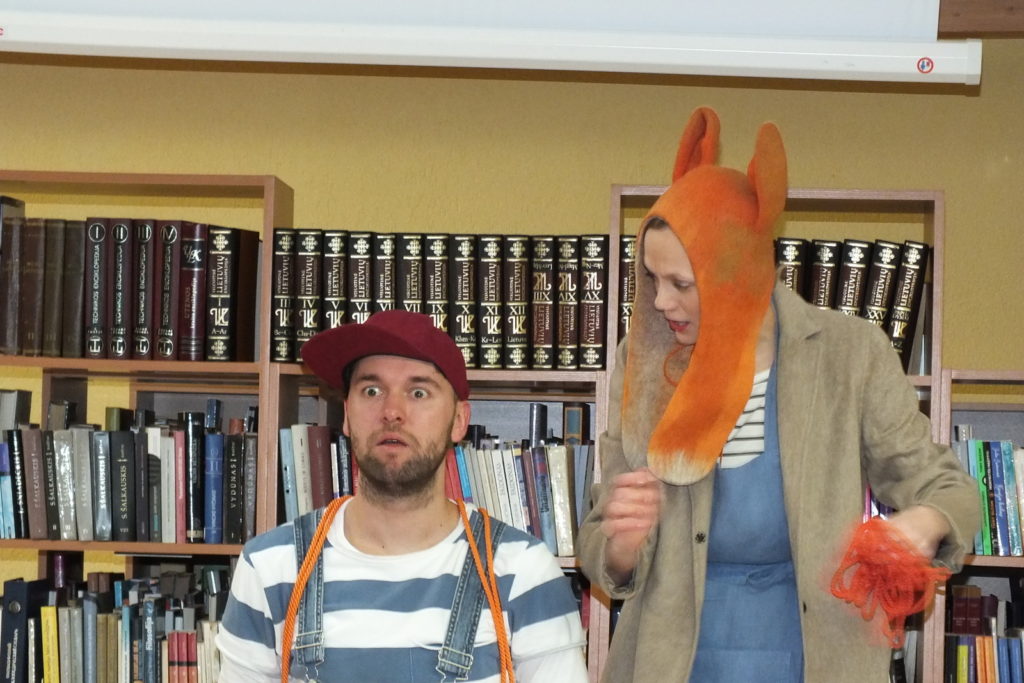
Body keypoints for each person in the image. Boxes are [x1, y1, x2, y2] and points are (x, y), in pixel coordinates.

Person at [576, 107, 979, 682]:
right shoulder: (640, 363)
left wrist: (925, 521)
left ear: (736, 273)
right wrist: (620, 543)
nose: (661, 302)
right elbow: (600, 547)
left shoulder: (849, 355)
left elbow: (951, 490)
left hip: (819, 657)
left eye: (681, 284)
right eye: (652, 279)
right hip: (669, 661)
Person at [217, 310, 588, 682]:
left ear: (459, 420)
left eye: (418, 392)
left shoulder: (523, 571)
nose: (391, 412)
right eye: (372, 391)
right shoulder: (270, 568)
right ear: (346, 414)